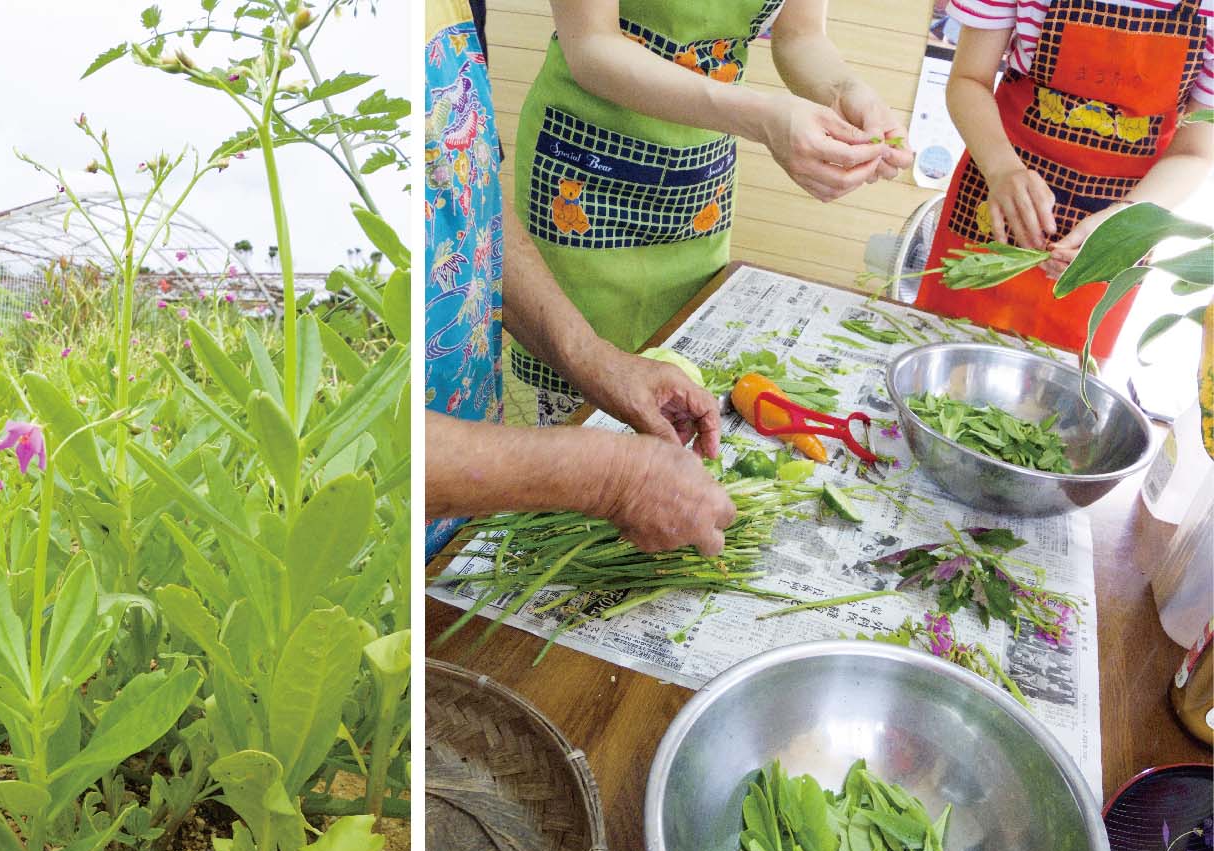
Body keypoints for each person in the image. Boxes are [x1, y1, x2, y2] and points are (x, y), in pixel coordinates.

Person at [425, 0, 735, 561]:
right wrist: (612, 478)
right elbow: (374, 442)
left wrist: (595, 360)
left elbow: (470, 206)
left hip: (467, 507)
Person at [509, 0, 913, 424]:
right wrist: (761, 119)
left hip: (699, 185)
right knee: (586, 398)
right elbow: (591, 44)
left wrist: (846, 89)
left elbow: (801, 36)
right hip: (586, 174)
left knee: (687, 393)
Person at [914, 0, 1214, 356]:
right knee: (947, 353)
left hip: (1122, 216)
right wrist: (1001, 169)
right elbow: (967, 80)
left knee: (1061, 386)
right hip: (999, 185)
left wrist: (1125, 222)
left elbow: (1195, 150)